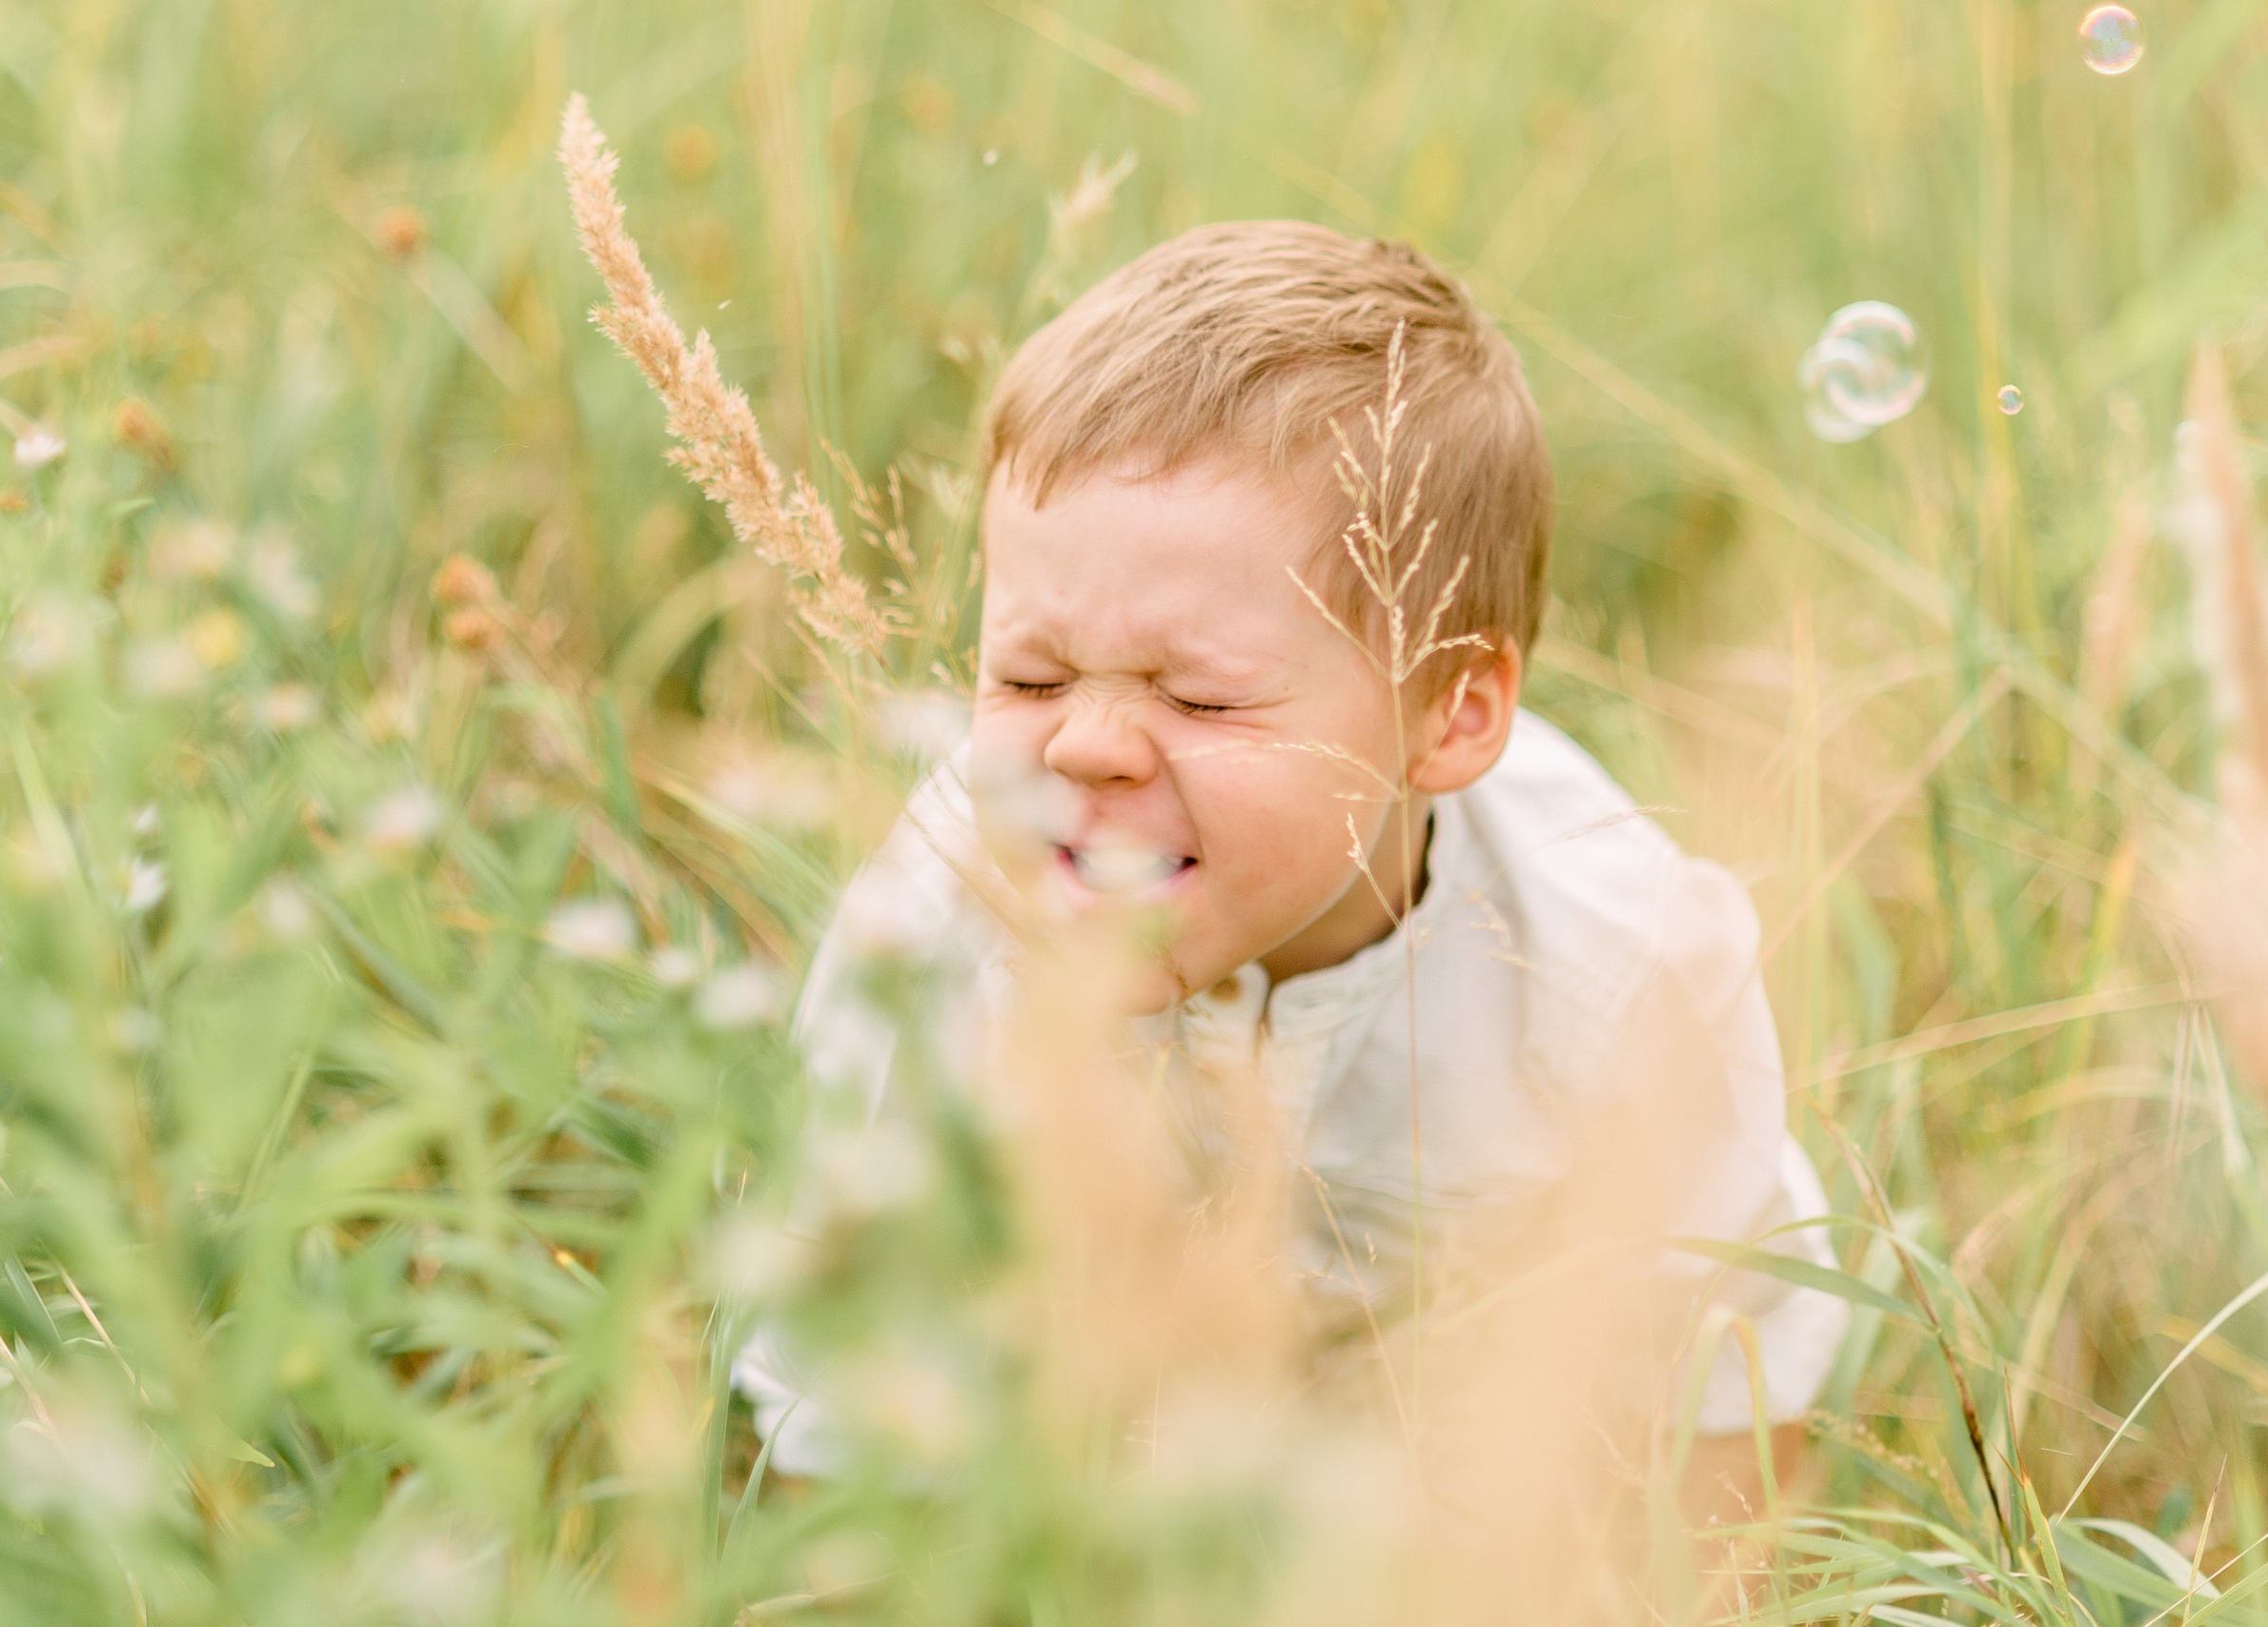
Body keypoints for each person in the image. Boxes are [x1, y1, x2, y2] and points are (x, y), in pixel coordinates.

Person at [737, 221, 1847, 1515]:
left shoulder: (1616, 957)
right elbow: (832, 1353)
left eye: (1200, 697)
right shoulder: (939, 922)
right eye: (1029, 678)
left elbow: (1727, 1357)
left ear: (1452, 712)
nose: (1086, 745)